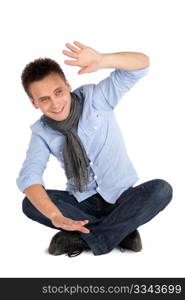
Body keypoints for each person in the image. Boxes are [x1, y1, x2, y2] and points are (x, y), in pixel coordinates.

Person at [16, 41, 173, 257]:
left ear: (68, 86)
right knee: (29, 203)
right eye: (44, 99)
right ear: (34, 103)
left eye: (58, 92)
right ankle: (121, 231)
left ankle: (88, 237)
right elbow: (29, 178)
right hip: (82, 203)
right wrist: (55, 215)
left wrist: (103, 60)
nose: (55, 103)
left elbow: (141, 65)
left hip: (121, 197)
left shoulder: (95, 97)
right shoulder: (42, 131)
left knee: (161, 190)